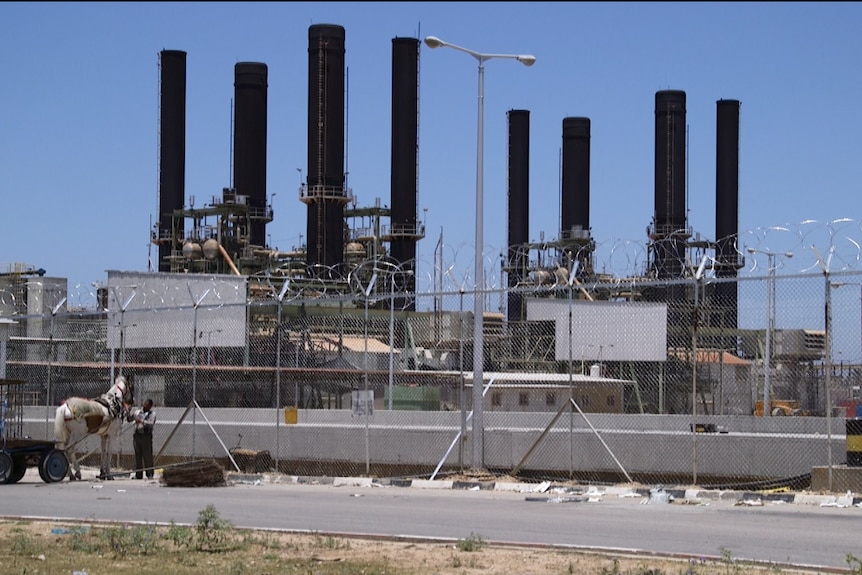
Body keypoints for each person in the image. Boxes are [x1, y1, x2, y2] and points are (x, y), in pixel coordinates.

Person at [127, 398, 156, 479]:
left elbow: (151, 423)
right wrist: (128, 411)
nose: (144, 406)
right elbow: (129, 419)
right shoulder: (138, 412)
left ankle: (149, 474)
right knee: (138, 456)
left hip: (146, 436)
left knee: (147, 456)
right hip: (137, 436)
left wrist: (141, 421)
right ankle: (138, 475)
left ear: (150, 406)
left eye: (147, 405)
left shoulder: (152, 414)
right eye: (144, 404)